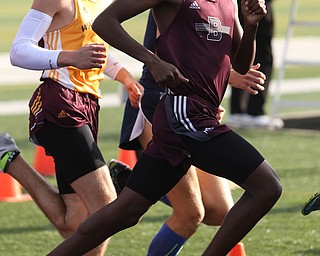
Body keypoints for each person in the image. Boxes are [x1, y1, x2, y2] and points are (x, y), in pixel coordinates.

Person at [48, 0, 283, 255]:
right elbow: (105, 21)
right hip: (184, 114)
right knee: (267, 186)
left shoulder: (228, 2)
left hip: (193, 118)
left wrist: (251, 26)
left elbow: (241, 65)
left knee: (126, 212)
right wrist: (152, 61)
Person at [108, 10, 267, 255]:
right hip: (162, 101)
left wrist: (218, 86)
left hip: (196, 110)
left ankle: (133, 183)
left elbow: (212, 51)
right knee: (190, 214)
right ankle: (136, 188)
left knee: (219, 210)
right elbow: (174, 51)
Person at [9, 0, 143, 255]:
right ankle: (109, 178)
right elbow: (18, 51)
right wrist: (70, 57)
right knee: (107, 208)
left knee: (74, 222)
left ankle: (10, 159)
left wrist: (123, 76)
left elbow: (93, 49)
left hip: (88, 105)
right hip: (60, 104)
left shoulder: (99, 2)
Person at [228, 0, 284, 129]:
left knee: (239, 51)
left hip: (237, 4)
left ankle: (237, 110)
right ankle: (254, 111)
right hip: (255, 5)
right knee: (262, 56)